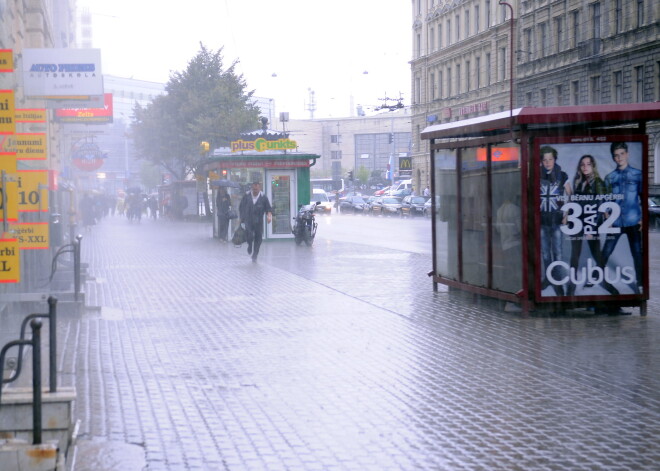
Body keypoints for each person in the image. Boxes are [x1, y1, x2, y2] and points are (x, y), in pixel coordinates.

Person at [565, 155, 617, 297]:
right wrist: (568, 216)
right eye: (582, 164)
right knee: (574, 255)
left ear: (593, 166)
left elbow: (602, 205)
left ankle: (608, 287)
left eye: (588, 164)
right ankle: (571, 287)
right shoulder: (578, 181)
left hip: (591, 223)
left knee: (597, 256)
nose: (585, 167)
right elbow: (573, 201)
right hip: (577, 222)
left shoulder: (598, 182)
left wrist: (596, 226)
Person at [600, 142, 643, 295]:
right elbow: (605, 201)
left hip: (633, 221)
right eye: (616, 155)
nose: (619, 158)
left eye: (622, 154)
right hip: (616, 221)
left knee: (637, 253)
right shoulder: (610, 177)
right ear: (613, 157)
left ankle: (640, 283)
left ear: (627, 154)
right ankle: (595, 277)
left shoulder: (638, 175)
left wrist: (642, 219)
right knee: (606, 251)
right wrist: (607, 219)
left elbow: (642, 197)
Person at [539, 146, 572, 296]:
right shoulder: (537, 175)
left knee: (557, 252)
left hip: (557, 219)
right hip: (542, 219)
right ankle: (548, 278)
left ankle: (557, 281)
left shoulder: (562, 175)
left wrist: (566, 214)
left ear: (555, 160)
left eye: (550, 159)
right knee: (545, 253)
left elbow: (570, 194)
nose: (547, 163)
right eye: (544, 160)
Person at [496, 195, 522, 312]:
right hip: (515, 244)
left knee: (509, 273)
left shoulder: (500, 210)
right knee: (516, 274)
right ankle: (513, 301)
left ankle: (508, 300)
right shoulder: (515, 209)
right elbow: (521, 229)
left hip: (505, 244)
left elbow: (498, 228)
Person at [239, 181, 272, 262]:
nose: (255, 191)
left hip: (258, 221)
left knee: (258, 238)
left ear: (259, 188)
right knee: (249, 234)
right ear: (251, 188)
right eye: (254, 189)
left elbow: (268, 208)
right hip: (248, 220)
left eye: (257, 189)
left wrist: (269, 216)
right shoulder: (246, 196)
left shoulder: (263, 197)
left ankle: (255, 254)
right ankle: (249, 244)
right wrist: (241, 218)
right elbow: (241, 207)